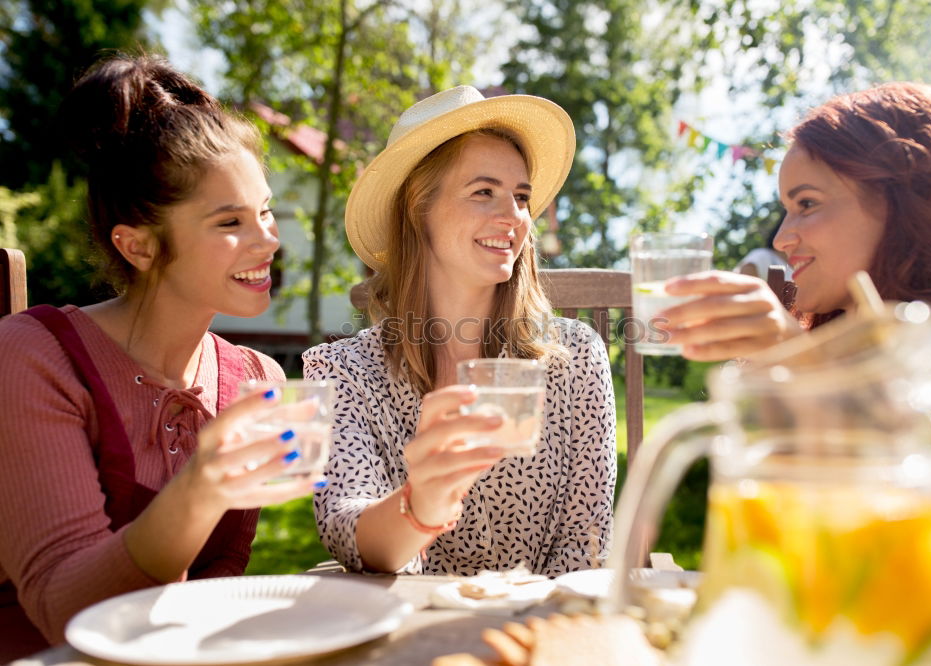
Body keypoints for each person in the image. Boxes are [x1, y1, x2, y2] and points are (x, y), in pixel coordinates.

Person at [0, 54, 320, 659]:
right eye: (230, 220)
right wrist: (199, 489)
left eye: (266, 211)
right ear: (139, 245)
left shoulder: (256, 377)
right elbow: (63, 609)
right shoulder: (32, 358)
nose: (269, 239)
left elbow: (220, 595)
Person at [303, 85, 616, 576]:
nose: (514, 216)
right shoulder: (346, 371)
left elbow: (586, 546)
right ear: (417, 208)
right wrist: (419, 504)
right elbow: (348, 530)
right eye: (483, 192)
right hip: (409, 637)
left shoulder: (576, 358)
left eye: (521, 196)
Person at [772, 81, 931, 410]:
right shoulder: (815, 359)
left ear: (902, 202)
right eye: (787, 211)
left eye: (807, 204)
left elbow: (927, 453)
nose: (781, 239)